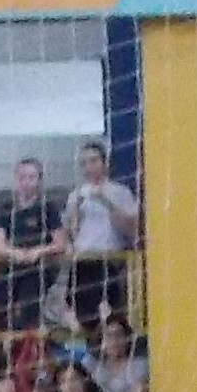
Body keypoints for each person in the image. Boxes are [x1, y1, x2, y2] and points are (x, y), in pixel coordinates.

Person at [58, 141, 142, 331]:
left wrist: (106, 202)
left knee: (115, 316)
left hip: (111, 261)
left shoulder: (121, 192)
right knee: (85, 318)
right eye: (84, 163)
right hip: (83, 262)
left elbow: (132, 229)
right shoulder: (75, 195)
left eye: (94, 161)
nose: (89, 167)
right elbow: (70, 235)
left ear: (105, 163)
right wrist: (76, 211)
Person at [0, 154, 65, 339]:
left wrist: (38, 251)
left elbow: (60, 243)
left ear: (39, 180)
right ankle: (1, 344)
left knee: (28, 307)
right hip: (11, 267)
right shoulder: (7, 208)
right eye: (22, 177)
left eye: (31, 177)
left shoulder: (48, 208)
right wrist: (15, 252)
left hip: (38, 268)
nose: (26, 182)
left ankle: (28, 345)